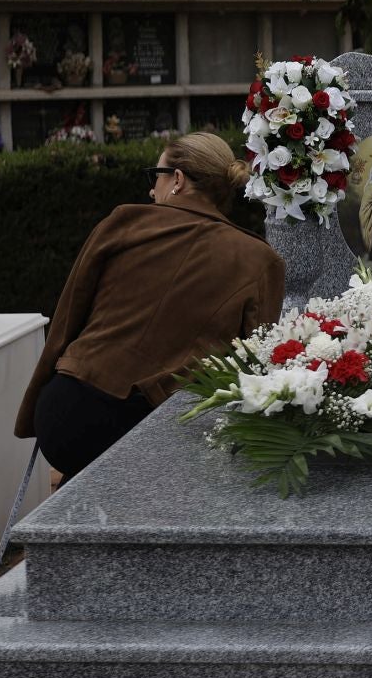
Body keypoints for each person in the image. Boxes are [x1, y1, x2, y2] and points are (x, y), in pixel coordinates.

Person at [16, 132, 284, 482]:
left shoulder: (124, 222)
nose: (149, 189)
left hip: (65, 413)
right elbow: (253, 363)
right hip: (156, 428)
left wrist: (34, 406)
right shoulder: (259, 260)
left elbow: (69, 317)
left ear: (177, 180)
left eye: (153, 176)